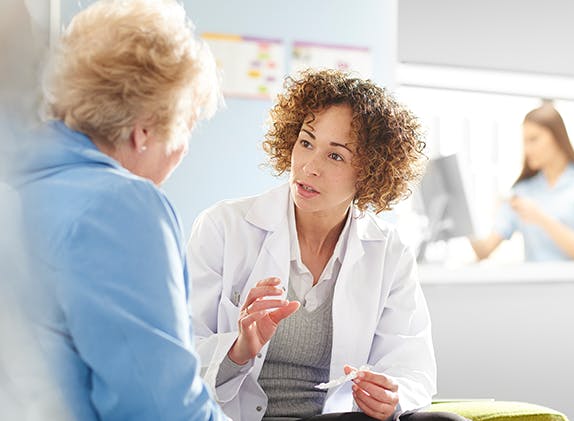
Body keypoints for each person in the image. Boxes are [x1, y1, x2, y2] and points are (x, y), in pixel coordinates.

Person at [187, 70, 464, 421]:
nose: (308, 166)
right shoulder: (223, 227)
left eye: (335, 156)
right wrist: (240, 348)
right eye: (305, 142)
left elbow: (413, 370)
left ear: (370, 172)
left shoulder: (389, 251)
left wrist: (391, 394)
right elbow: (180, 358)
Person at [14, 1, 227, 419]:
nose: (183, 148)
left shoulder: (23, 181)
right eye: (187, 126)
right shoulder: (120, 207)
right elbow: (160, 406)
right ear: (144, 131)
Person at [471, 103, 574, 262]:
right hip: (536, 286)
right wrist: (463, 218)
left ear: (557, 138)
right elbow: (484, 250)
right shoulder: (522, 191)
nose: (527, 149)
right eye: (525, 142)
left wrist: (540, 218)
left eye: (534, 139)